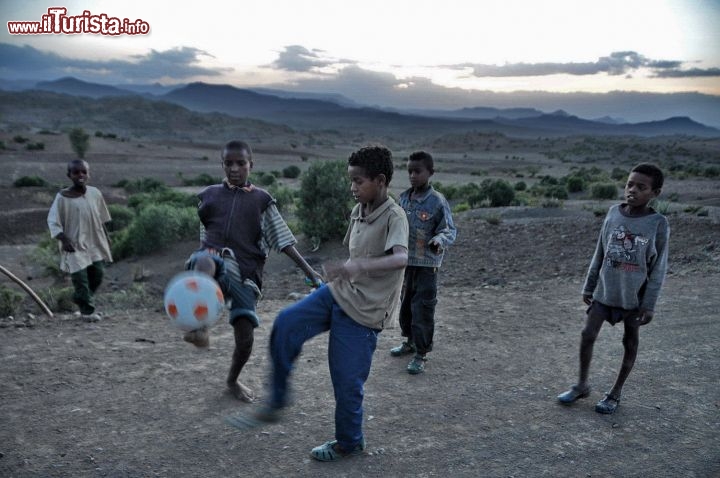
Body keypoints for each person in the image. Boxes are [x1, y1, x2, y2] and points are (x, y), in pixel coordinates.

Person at [226, 145, 409, 462]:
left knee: (346, 383)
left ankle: (349, 442)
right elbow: (358, 254)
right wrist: (343, 269)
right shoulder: (360, 209)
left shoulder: (395, 216)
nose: (352, 187)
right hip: (339, 293)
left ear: (380, 180)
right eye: (350, 180)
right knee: (286, 324)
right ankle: (276, 402)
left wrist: (360, 267)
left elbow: (402, 258)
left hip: (365, 313)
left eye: (358, 181)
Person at [183, 140, 322, 403]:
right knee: (205, 260)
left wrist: (310, 273)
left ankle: (232, 380)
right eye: (228, 163)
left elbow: (283, 240)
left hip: (246, 270)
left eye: (240, 163)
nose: (234, 169)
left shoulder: (262, 201)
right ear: (221, 164)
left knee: (245, 337)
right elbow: (205, 236)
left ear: (251, 165)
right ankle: (199, 328)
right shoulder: (209, 196)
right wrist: (205, 254)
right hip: (213, 261)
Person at [557, 163, 670, 414]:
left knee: (630, 343)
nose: (632, 191)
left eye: (641, 187)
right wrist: (589, 285)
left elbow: (658, 268)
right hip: (605, 293)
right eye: (630, 184)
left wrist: (649, 304)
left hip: (634, 299)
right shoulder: (612, 213)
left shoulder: (658, 224)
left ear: (655, 193)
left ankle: (615, 392)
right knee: (587, 335)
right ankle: (581, 385)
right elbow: (600, 252)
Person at [390, 151, 457, 374]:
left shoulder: (437, 201)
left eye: (417, 171)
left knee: (423, 308)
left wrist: (439, 239)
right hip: (406, 264)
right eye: (409, 171)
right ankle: (409, 342)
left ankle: (421, 353)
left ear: (430, 173)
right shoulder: (403, 199)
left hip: (427, 266)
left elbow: (449, 229)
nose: (412, 175)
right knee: (406, 305)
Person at [47, 159, 113, 323]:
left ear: (88, 174)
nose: (80, 175)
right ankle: (87, 312)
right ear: (69, 175)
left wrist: (107, 239)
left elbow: (102, 218)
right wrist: (64, 240)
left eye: (84, 172)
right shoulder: (62, 198)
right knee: (81, 280)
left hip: (95, 242)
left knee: (98, 275)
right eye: (76, 172)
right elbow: (53, 221)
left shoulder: (95, 193)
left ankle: (79, 298)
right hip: (73, 245)